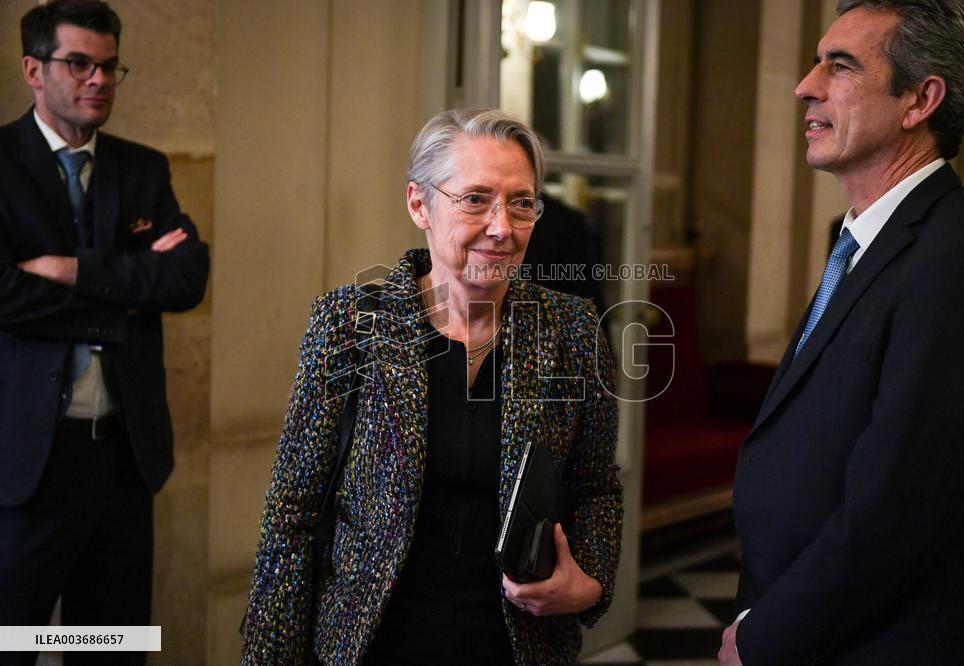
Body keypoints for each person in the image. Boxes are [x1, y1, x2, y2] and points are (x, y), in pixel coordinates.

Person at [242, 109, 622, 665]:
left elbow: (596, 488)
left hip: (518, 647)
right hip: (375, 644)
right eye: (475, 199)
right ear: (419, 204)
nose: (502, 226)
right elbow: (291, 513)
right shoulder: (352, 325)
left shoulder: (571, 329)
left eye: (521, 203)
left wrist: (588, 583)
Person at [721, 1, 964, 664]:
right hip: (810, 617)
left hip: (877, 641)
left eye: (839, 66)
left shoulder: (963, 261)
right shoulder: (854, 240)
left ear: (921, 100)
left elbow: (898, 509)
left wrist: (766, 636)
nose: (805, 85)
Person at [0, 0, 209, 662]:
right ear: (34, 70)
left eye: (110, 66)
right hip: (26, 462)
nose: (99, 80)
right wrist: (124, 292)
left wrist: (67, 268)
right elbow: (2, 293)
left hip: (122, 459)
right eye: (80, 64)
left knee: (113, 646)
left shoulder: (142, 169)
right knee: (13, 641)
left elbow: (185, 280)